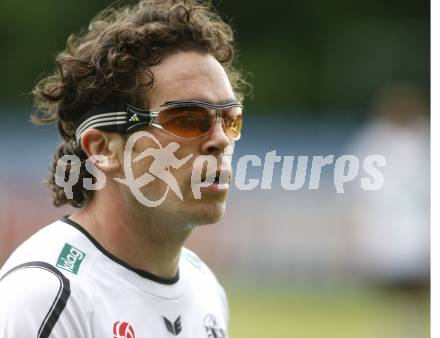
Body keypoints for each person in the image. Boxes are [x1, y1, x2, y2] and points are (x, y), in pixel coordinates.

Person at [0, 0, 246, 337]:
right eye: (188, 119)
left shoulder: (204, 288)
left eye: (230, 119)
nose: (219, 140)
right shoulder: (46, 296)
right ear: (102, 149)